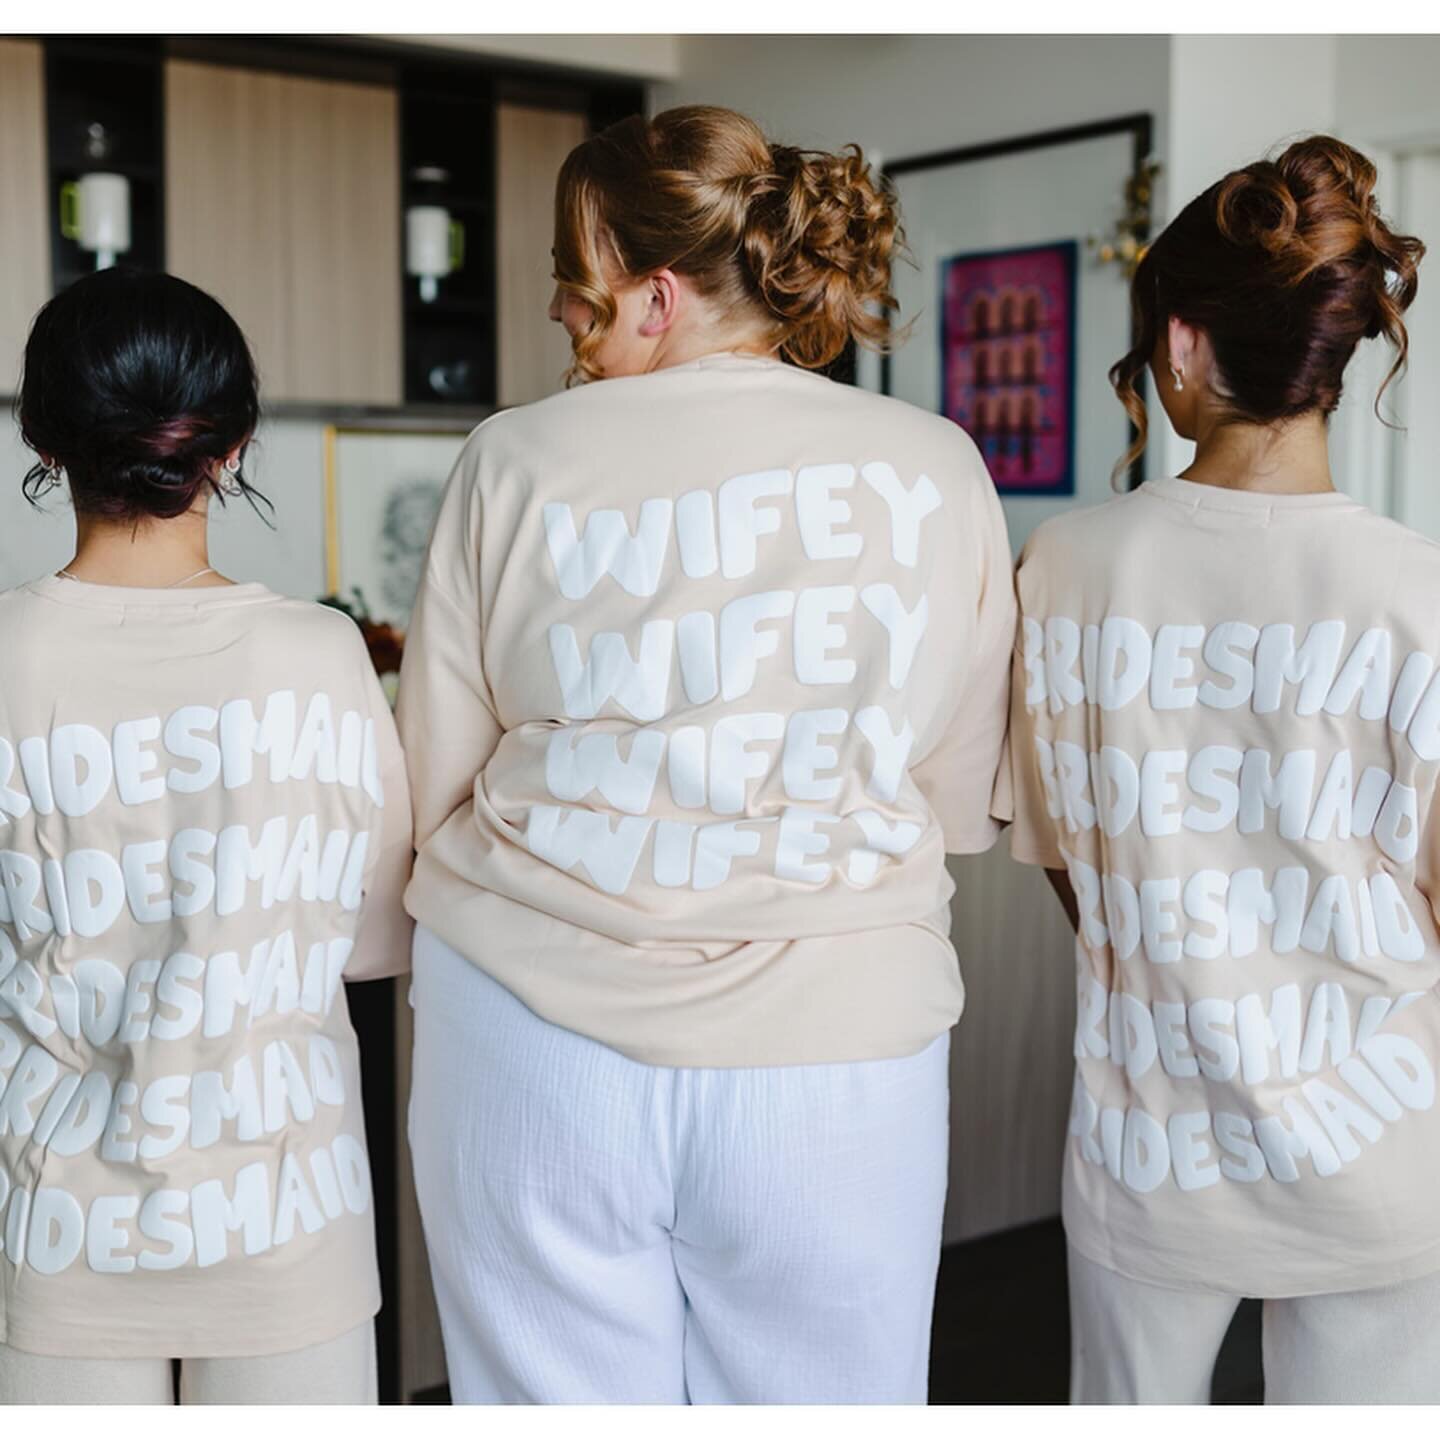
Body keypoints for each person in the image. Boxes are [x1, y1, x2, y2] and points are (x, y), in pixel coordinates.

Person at [397, 104, 1015, 1404]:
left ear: (655, 291)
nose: (567, 314)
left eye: (581, 283)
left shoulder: (509, 458)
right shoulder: (936, 463)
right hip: (841, 1043)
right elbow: (952, 797)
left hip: (533, 1029)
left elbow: (436, 782)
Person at [996, 135, 1435, 1403]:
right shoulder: (1421, 590)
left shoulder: (1066, 567)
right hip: (1384, 1138)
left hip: (1150, 1144)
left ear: (1183, 346)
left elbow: (1082, 868)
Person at [0, 269, 413, 1404]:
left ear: (44, 436)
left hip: (56, 1224)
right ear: (228, 446)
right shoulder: (321, 656)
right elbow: (373, 941)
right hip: (289, 1223)